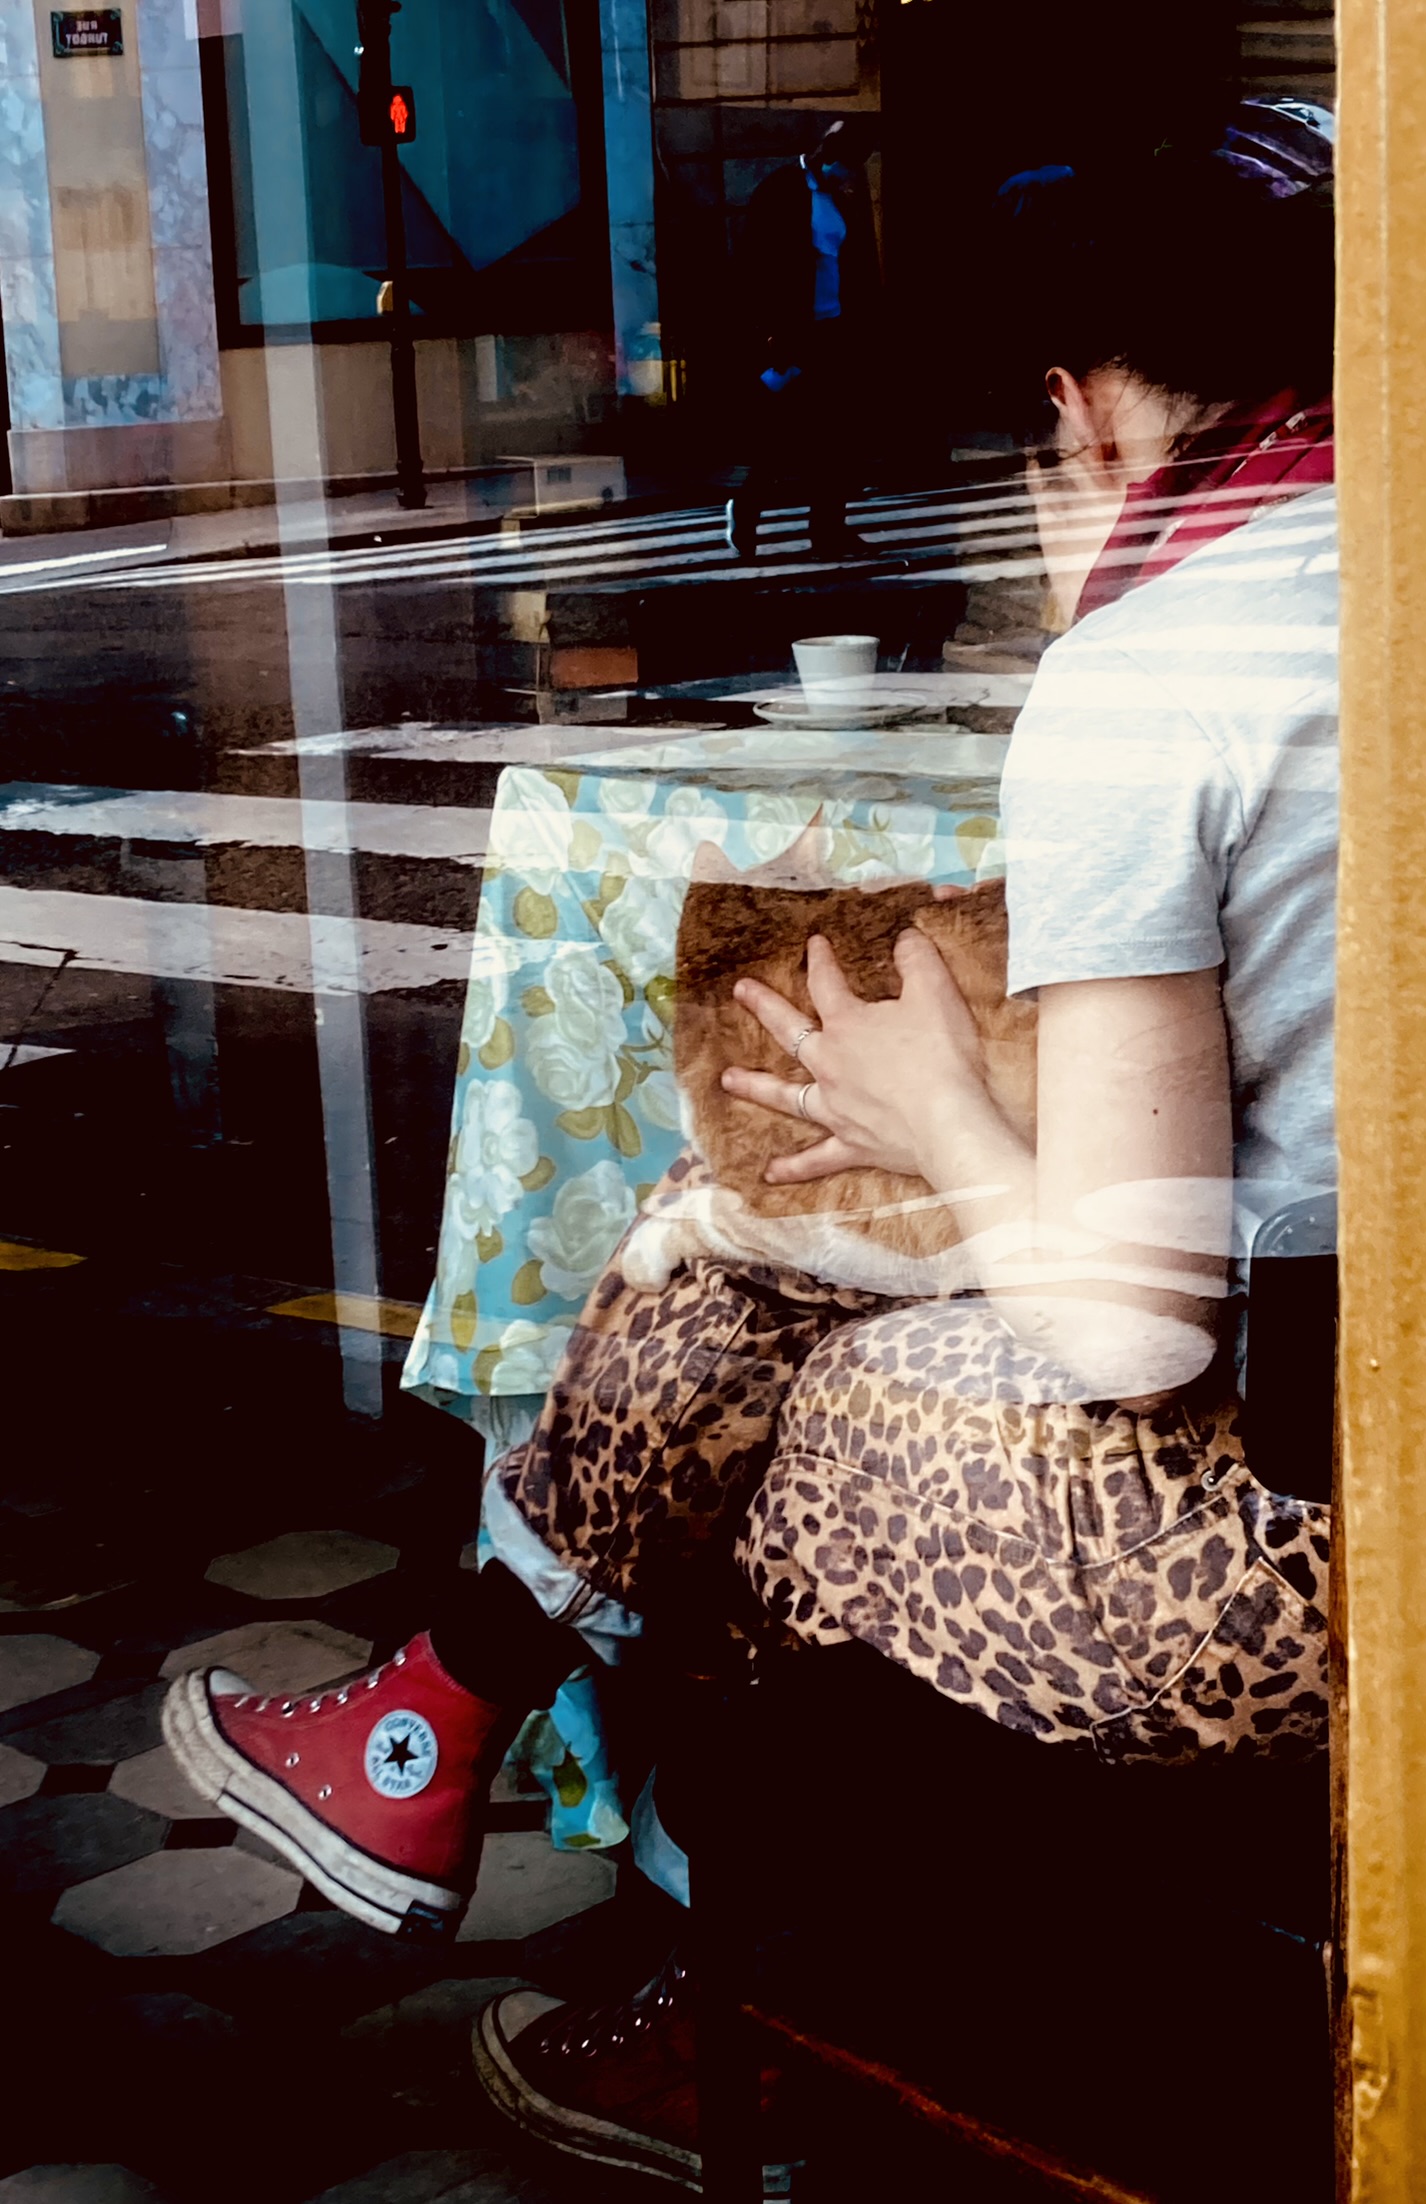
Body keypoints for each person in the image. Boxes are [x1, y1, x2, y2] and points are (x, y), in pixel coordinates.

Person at [164, 106, 1337, 2192]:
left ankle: (755, 2008)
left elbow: (1131, 1325)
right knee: (733, 1253)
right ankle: (454, 1744)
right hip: (1347, 1411)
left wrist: (932, 1111)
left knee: (764, 1411)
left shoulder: (1163, 671)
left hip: (1305, 1562)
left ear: (1074, 415)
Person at [724, 116, 883, 562]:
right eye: (848, 165)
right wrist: (768, 334)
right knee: (785, 436)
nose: (851, 174)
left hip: (836, 330)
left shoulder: (842, 195)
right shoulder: (780, 191)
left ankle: (828, 531)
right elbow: (754, 268)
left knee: (839, 438)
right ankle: (747, 509)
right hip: (796, 334)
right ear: (828, 156)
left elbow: (855, 260)